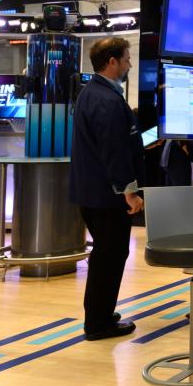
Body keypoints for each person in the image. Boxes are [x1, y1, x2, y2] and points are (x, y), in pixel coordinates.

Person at [69, 37, 145, 341]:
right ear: (112, 61)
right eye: (127, 58)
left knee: (105, 255)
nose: (129, 63)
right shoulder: (108, 100)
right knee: (110, 256)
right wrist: (129, 191)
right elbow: (114, 151)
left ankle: (99, 312)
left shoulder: (93, 94)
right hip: (108, 196)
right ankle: (99, 323)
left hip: (92, 193)